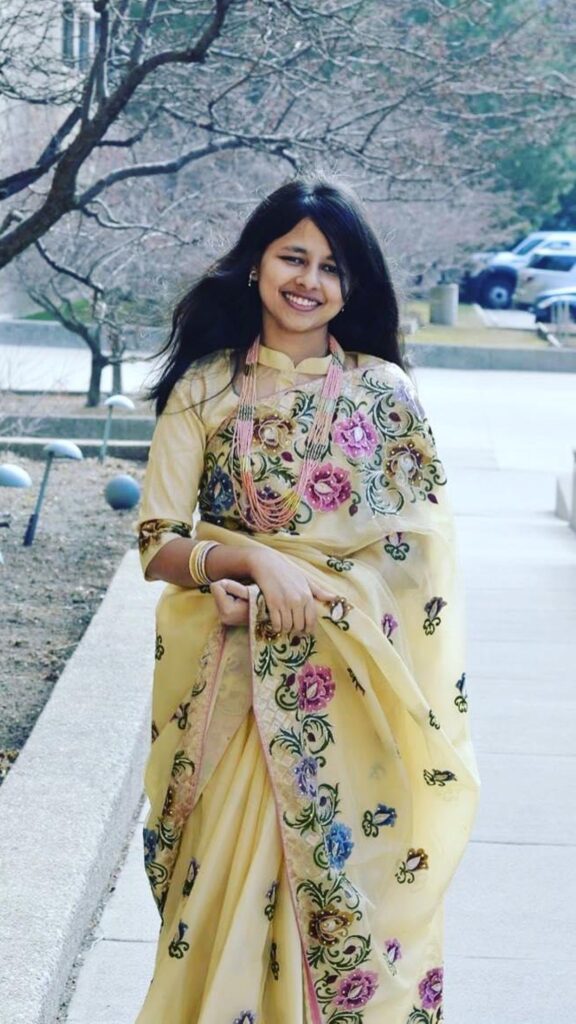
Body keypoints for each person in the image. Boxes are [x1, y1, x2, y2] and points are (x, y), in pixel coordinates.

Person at [134, 177, 480, 1024]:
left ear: (353, 287)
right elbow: (158, 540)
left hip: (351, 701)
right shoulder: (206, 387)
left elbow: (420, 563)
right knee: (220, 894)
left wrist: (319, 595)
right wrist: (249, 561)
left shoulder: (384, 394)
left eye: (331, 267)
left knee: (347, 902)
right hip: (232, 693)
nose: (309, 280)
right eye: (294, 257)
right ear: (257, 263)